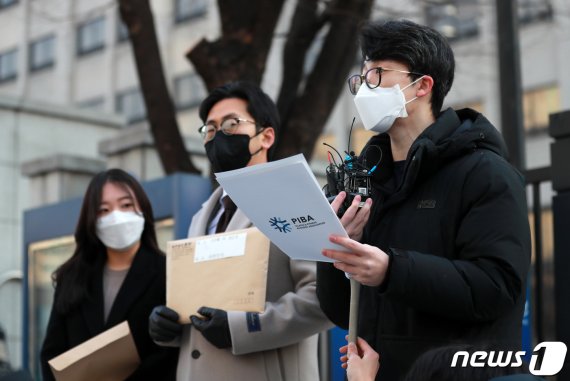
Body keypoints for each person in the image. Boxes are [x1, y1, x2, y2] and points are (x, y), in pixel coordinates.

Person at [316, 19, 531, 380]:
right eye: (362, 77)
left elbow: (498, 287)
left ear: (422, 86)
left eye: (378, 75)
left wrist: (391, 270)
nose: (364, 89)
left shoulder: (484, 174)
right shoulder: (363, 181)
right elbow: (341, 312)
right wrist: (338, 251)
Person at [148, 81, 332, 381]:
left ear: (266, 136)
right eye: (210, 129)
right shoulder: (202, 215)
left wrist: (243, 328)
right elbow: (199, 301)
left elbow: (325, 298)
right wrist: (170, 325)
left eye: (231, 124)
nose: (218, 135)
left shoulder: (293, 199)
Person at [40, 169, 178, 381]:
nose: (116, 216)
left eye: (126, 205)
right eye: (103, 210)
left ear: (143, 209)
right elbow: (52, 352)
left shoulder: (169, 272)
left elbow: (171, 355)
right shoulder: (72, 276)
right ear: (91, 219)